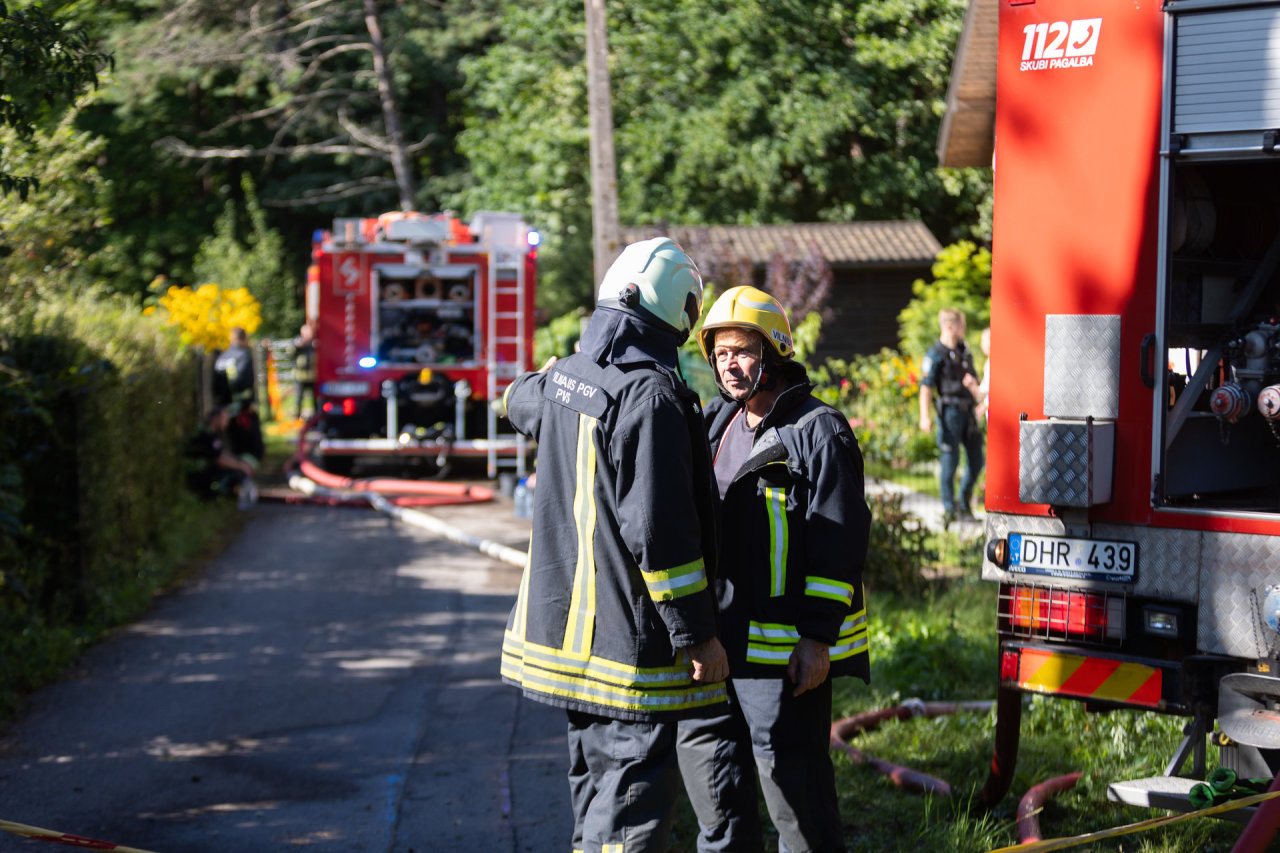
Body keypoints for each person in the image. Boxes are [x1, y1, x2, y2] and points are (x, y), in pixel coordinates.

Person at [498, 237, 730, 853]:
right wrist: (697, 633)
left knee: (595, 803)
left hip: (565, 650)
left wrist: (550, 374)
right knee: (629, 810)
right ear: (678, 313)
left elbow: (519, 397)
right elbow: (660, 532)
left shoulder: (567, 381)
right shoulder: (650, 396)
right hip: (628, 653)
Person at [678, 285, 872, 853]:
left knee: (798, 806)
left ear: (775, 350)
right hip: (717, 651)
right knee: (718, 799)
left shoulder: (817, 430)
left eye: (741, 351)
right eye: (719, 354)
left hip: (784, 663)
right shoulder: (715, 424)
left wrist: (816, 641)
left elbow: (839, 543)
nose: (728, 365)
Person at [918, 308, 984, 523]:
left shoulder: (964, 351)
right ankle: (950, 511)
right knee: (950, 462)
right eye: (961, 324)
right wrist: (924, 416)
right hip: (950, 413)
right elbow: (926, 387)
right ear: (949, 326)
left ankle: (964, 505)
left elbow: (974, 380)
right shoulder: (935, 354)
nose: (964, 329)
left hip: (969, 412)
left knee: (976, 461)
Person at [185, 407, 258, 509]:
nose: (227, 422)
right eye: (225, 418)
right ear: (216, 418)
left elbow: (221, 454)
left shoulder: (212, 433)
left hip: (205, 470)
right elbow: (219, 460)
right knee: (238, 473)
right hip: (200, 474)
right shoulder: (206, 434)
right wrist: (241, 466)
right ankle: (213, 493)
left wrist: (240, 462)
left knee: (241, 466)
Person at [213, 326, 265, 466]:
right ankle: (246, 473)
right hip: (243, 411)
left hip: (225, 412)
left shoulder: (222, 357)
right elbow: (244, 383)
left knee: (235, 445)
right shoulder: (243, 356)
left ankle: (239, 469)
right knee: (253, 448)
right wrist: (248, 405)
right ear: (244, 338)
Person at [292, 323, 317, 420]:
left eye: (309, 332)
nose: (307, 335)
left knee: (315, 398)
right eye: (305, 332)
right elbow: (291, 352)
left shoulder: (314, 343)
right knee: (298, 398)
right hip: (300, 376)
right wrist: (297, 346)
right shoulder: (298, 342)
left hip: (312, 376)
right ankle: (296, 417)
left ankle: (316, 418)